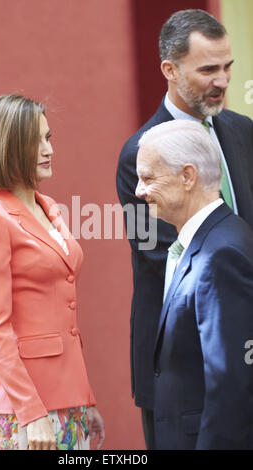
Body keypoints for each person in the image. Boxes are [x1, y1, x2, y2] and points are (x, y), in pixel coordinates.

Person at [116, 9, 253, 448]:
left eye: (228, 67)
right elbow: (153, 251)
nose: (222, 80)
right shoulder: (137, 153)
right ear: (169, 70)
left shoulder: (243, 131)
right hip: (177, 365)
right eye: (208, 69)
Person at [0, 94, 105, 450]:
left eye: (49, 138)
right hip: (29, 410)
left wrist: (85, 398)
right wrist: (31, 412)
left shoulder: (49, 208)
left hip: (70, 403)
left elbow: (66, 318)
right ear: (8, 147)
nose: (49, 150)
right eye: (37, 141)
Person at [135, 119, 253, 449]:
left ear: (187, 177)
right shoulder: (212, 241)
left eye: (148, 178)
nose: (138, 191)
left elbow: (231, 383)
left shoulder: (222, 255)